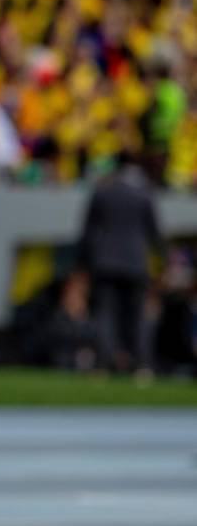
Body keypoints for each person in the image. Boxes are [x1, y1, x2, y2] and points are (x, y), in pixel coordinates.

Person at [80, 151, 163, 376]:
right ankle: (142, 365)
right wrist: (161, 262)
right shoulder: (144, 192)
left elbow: (87, 232)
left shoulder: (103, 190)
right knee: (136, 316)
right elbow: (155, 233)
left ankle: (103, 365)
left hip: (105, 262)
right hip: (136, 262)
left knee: (105, 314)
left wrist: (84, 262)